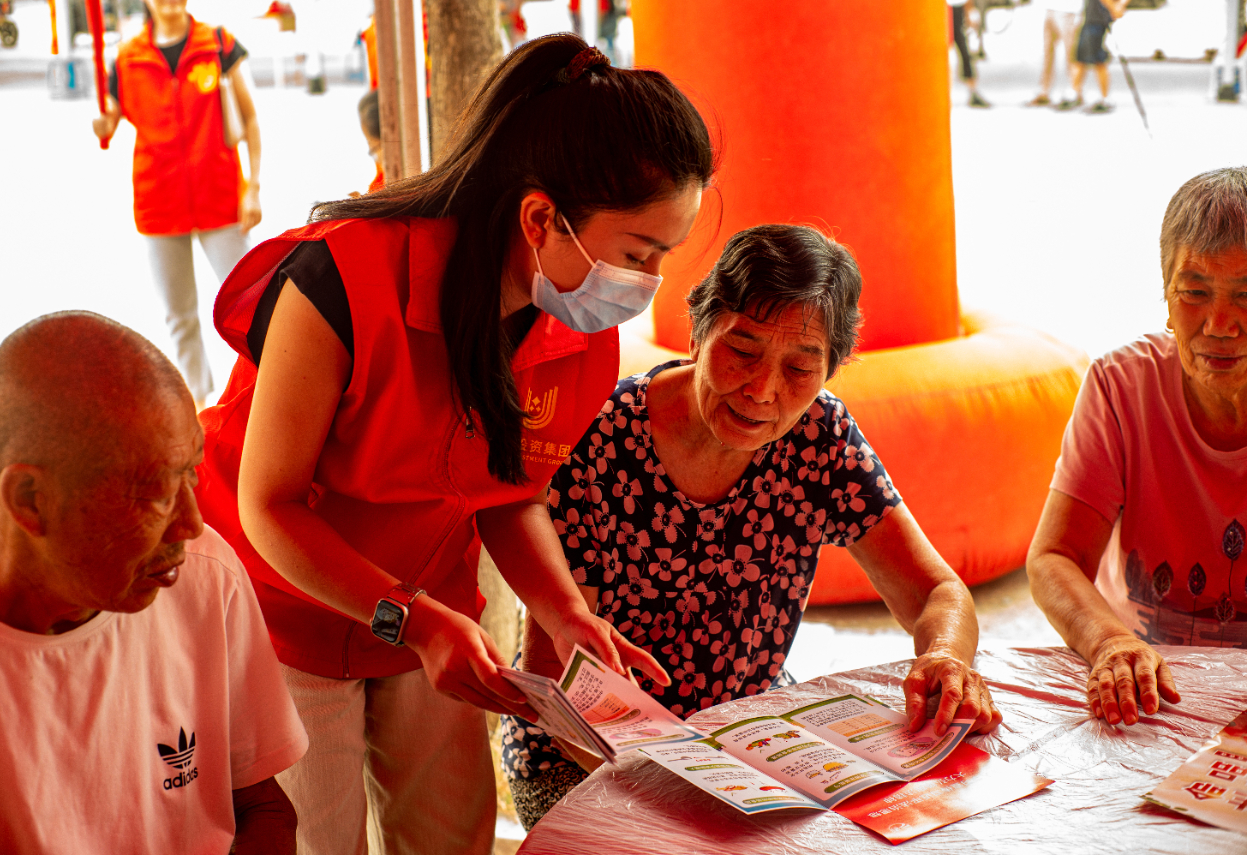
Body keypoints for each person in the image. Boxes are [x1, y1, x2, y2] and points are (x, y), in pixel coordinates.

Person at [195, 36, 714, 855]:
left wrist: (566, 612)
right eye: (636, 254)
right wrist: (415, 621)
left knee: (451, 836)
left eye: (662, 257)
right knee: (312, 837)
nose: (645, 282)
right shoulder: (341, 279)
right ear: (541, 218)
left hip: (430, 611)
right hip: (282, 610)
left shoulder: (576, 326)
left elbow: (511, 490)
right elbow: (270, 506)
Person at [500, 224, 1004, 829]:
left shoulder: (819, 437)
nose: (762, 390)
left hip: (747, 741)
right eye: (742, 350)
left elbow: (937, 592)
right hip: (584, 752)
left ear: (830, 371)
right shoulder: (602, 438)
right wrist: (674, 791)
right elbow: (556, 676)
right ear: (699, 330)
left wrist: (945, 656)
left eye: (800, 367)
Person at [0, 312, 308, 853]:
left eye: (190, 473)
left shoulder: (203, 575)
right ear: (30, 500)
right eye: (154, 494)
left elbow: (262, 807)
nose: (191, 524)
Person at [1028, 167, 1247, 729]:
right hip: (1144, 691)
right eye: (1195, 292)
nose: (1221, 324)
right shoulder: (1120, 386)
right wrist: (1110, 643)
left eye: (1246, 295)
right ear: (1166, 298)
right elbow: (1055, 558)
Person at [92, 0, 262, 409]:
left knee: (250, 305)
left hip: (220, 197)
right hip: (159, 203)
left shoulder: (218, 44)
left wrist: (254, 187)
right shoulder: (127, 58)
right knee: (179, 314)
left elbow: (250, 119)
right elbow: (110, 119)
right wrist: (102, 123)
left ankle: (258, 391)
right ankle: (198, 404)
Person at [1059, 0, 1128, 113]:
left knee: (1098, 61)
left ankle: (1105, 99)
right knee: (1081, 59)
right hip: (1090, 20)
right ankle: (1074, 93)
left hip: (1096, 21)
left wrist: (1116, 7)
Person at [1029, 0, 1082, 106]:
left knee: (1071, 54)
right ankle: (1044, 92)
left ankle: (1076, 92)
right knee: (1047, 53)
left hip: (1068, 10)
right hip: (1050, 9)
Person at [948, 0, 990, 108]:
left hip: (954, 8)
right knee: (960, 51)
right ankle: (972, 92)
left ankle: (973, 91)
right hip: (944, 9)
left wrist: (969, 15)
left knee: (964, 52)